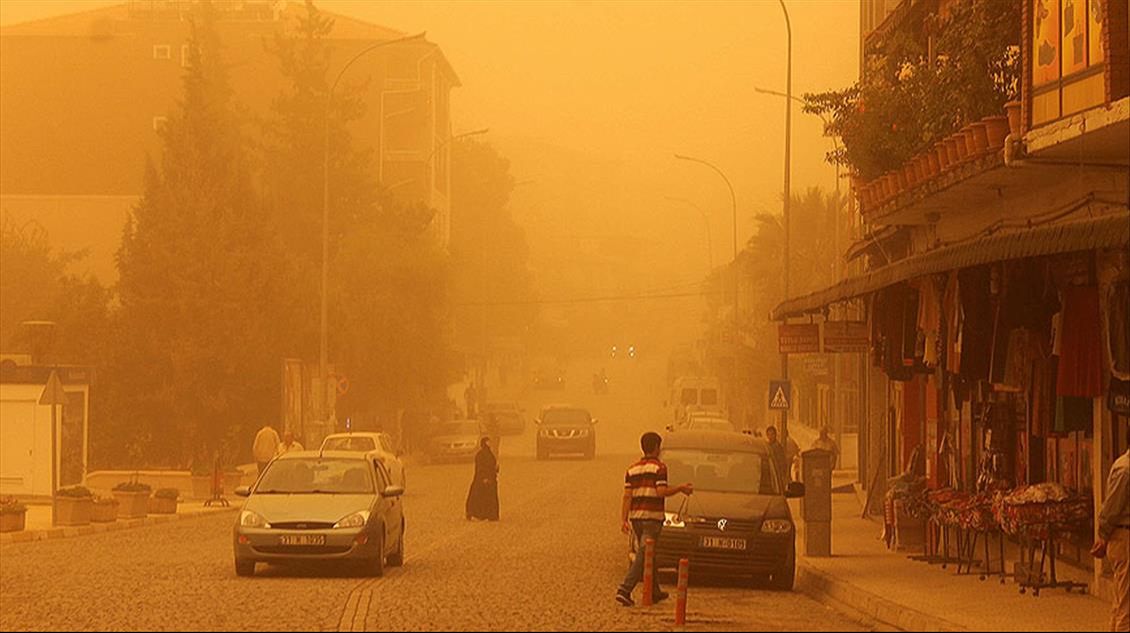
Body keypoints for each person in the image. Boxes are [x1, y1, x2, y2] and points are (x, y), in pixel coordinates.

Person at [616, 432, 694, 607]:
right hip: (652, 518)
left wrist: (623, 519)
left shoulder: (632, 469)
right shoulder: (660, 468)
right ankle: (624, 589)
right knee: (644, 554)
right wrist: (681, 488)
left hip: (636, 518)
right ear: (657, 448)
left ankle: (655, 592)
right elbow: (661, 492)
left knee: (650, 554)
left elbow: (627, 496)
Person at [1092, 446, 1129, 632]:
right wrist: (1103, 535)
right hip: (1124, 538)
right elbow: (1112, 508)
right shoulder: (1126, 470)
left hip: (1120, 536)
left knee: (1120, 602)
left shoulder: (1122, 466)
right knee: (1126, 607)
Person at [465, 437, 500, 521]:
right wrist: (484, 477)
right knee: (479, 497)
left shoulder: (490, 454)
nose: (489, 444)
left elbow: (492, 465)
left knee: (489, 498)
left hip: (491, 478)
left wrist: (496, 468)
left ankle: (491, 515)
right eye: (488, 442)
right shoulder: (480, 455)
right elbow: (480, 467)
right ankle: (476, 513)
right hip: (482, 479)